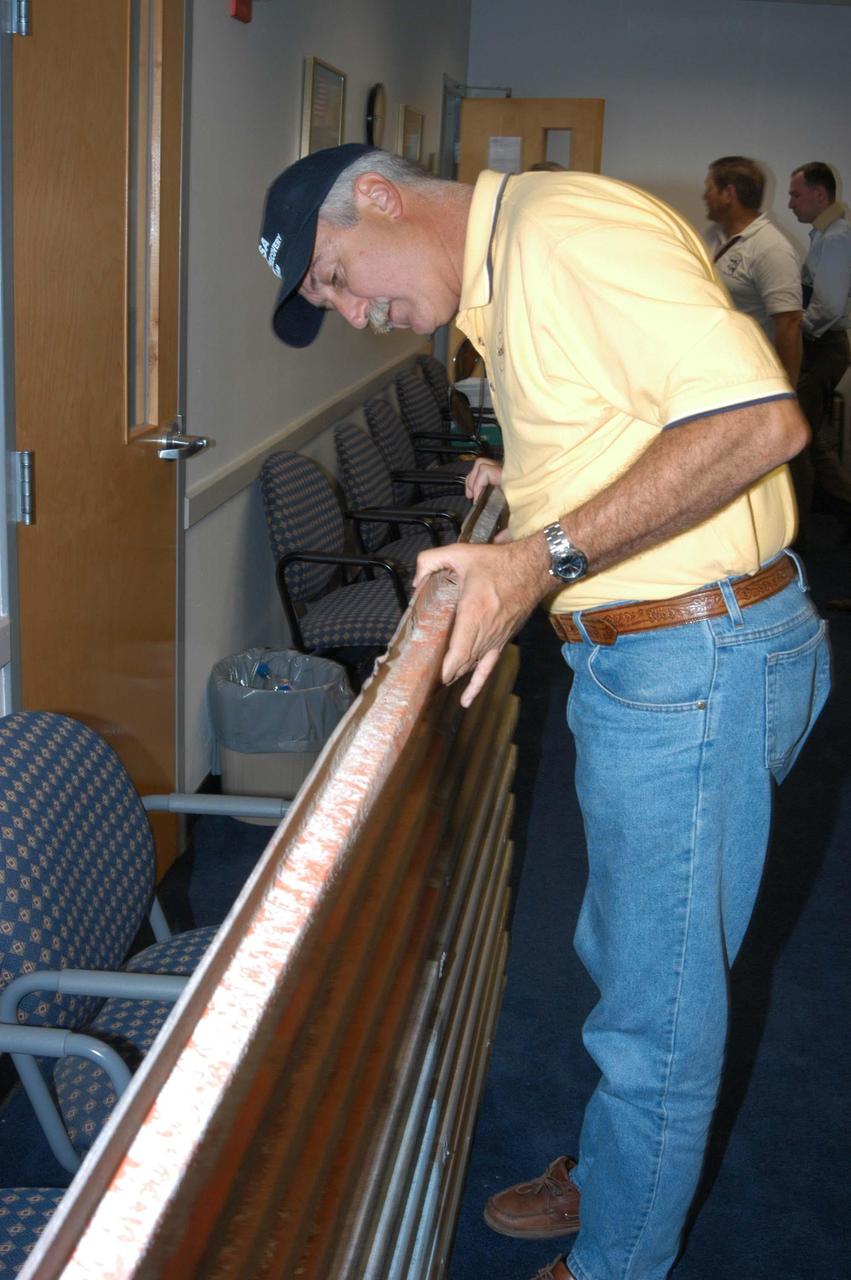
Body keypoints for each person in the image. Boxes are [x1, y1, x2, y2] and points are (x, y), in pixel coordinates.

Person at [259, 146, 830, 1280]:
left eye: (330, 275)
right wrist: (519, 481)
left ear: (375, 196)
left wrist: (540, 554)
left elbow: (758, 423)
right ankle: (627, 1161)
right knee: (625, 956)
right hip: (660, 658)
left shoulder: (560, 234)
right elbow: (619, 413)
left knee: (658, 1016)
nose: (349, 310)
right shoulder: (502, 272)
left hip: (691, 659)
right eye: (326, 303)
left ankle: (618, 1253)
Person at [788, 160, 851, 521]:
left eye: (796, 195)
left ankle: (801, 532)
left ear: (820, 194)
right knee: (811, 438)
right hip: (822, 344)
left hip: (825, 345)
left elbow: (827, 306)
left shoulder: (837, 237)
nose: (791, 203)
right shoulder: (823, 235)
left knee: (800, 440)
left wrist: (796, 330)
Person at [702, 155, 802, 384]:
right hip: (713, 369)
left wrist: (785, 392)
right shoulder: (711, 236)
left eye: (709, 189)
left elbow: (789, 323)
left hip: (750, 377)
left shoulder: (771, 249)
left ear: (729, 193)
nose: (704, 197)